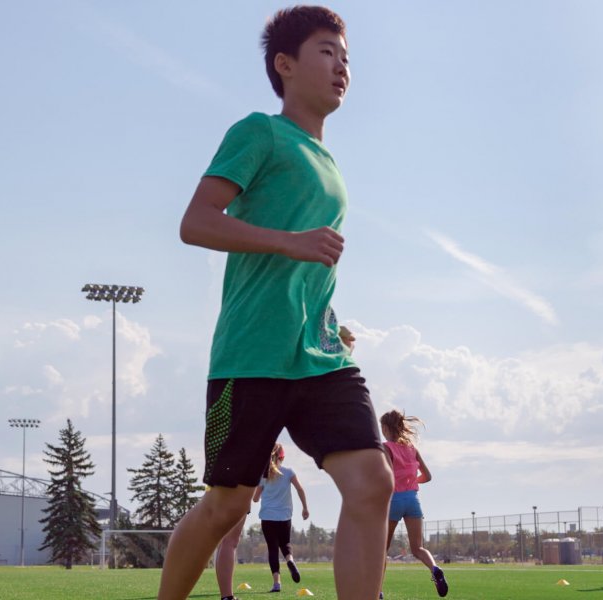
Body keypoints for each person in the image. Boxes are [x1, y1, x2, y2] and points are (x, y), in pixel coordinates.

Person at [159, 7, 393, 599]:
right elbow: (195, 222)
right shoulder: (258, 132)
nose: (342, 65)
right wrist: (291, 243)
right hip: (251, 354)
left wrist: (330, 322)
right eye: (326, 52)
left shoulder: (330, 163)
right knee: (227, 505)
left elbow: (313, 267)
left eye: (346, 56)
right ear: (284, 65)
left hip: (319, 356)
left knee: (372, 482)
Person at [379, 410, 448, 597]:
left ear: (385, 428)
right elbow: (428, 476)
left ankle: (378, 591)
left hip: (394, 500)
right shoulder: (412, 448)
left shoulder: (386, 448)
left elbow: (384, 477)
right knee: (418, 548)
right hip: (413, 501)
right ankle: (434, 569)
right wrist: (410, 482)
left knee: (381, 550)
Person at [252, 443, 309, 592]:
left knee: (273, 549)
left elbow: (255, 499)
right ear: (282, 456)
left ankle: (277, 583)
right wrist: (305, 507)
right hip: (285, 516)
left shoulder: (264, 475)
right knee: (285, 544)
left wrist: (260, 491)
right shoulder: (289, 472)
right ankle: (290, 560)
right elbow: (300, 489)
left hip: (268, 517)